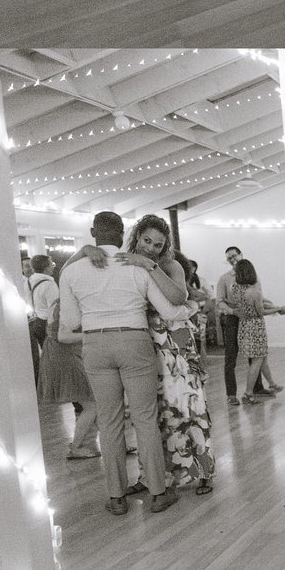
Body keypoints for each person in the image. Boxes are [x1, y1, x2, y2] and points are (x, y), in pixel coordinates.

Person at [57, 211, 178, 515]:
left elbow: (70, 322)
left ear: (92, 232)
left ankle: (117, 497)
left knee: (109, 422)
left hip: (95, 345)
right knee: (145, 419)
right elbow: (169, 310)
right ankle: (157, 493)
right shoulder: (134, 266)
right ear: (125, 232)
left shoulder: (72, 272)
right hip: (134, 342)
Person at [117, 215, 216, 495]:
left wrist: (150, 266)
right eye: (146, 241)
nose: (150, 247)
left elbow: (178, 297)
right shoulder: (123, 261)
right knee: (152, 413)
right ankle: (153, 476)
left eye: (157, 245)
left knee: (187, 405)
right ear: (137, 236)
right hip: (144, 342)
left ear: (165, 246)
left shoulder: (170, 265)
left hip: (177, 344)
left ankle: (202, 471)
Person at [38, 298, 100, 460]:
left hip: (60, 354)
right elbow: (63, 337)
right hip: (65, 356)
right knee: (92, 404)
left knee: (93, 401)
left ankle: (113, 441)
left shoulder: (59, 302)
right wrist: (94, 334)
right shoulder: (66, 304)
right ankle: (76, 447)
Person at [227, 258, 285, 403]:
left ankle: (272, 384)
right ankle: (248, 393)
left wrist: (275, 307)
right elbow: (260, 312)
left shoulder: (234, 288)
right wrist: (278, 309)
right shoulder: (254, 291)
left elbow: (257, 305)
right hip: (255, 328)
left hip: (244, 326)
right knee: (257, 361)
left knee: (262, 358)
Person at [23, 253, 58, 384]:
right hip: (46, 323)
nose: (53, 267)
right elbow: (54, 308)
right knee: (54, 357)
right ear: (46, 267)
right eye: (52, 264)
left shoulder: (28, 281)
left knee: (39, 358)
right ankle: (55, 386)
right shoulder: (49, 284)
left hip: (33, 321)